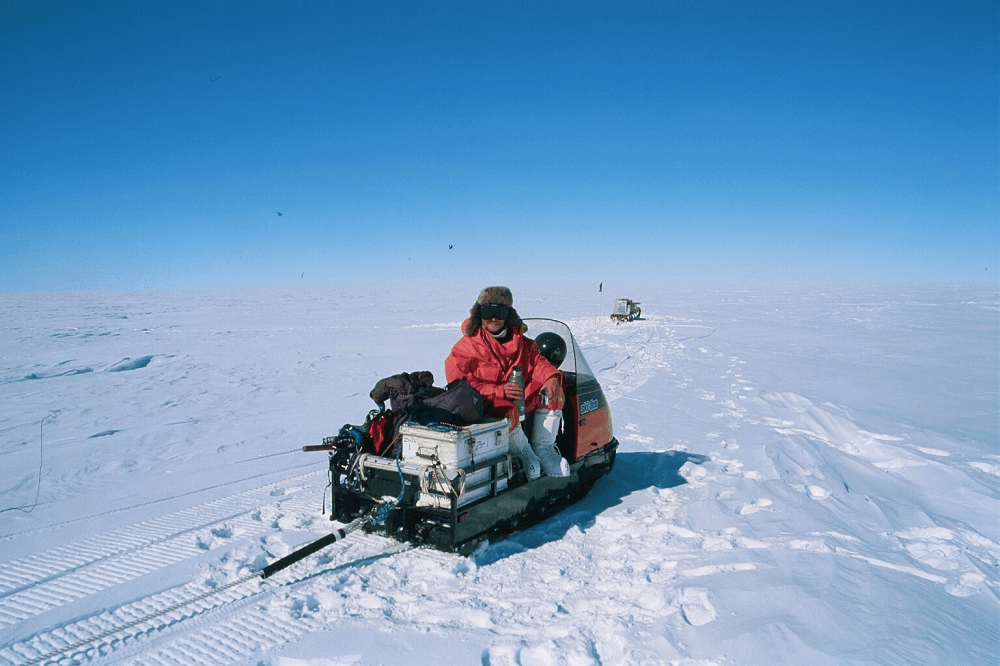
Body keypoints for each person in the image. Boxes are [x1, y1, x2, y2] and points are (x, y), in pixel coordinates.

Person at [445, 286, 570, 479]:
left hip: (516, 397)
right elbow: (458, 384)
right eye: (487, 312)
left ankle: (543, 450)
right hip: (485, 403)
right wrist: (497, 390)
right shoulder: (466, 347)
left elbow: (537, 361)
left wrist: (551, 377)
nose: (493, 318)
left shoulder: (520, 341)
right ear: (479, 314)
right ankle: (522, 454)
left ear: (508, 314)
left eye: (499, 312)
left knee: (553, 393)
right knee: (509, 410)